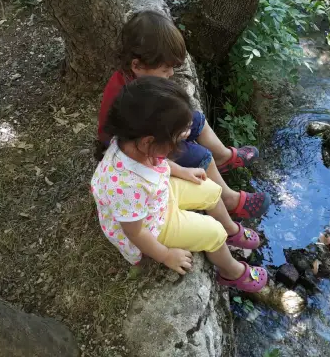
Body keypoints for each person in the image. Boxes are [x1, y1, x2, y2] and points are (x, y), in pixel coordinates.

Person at [91, 77, 268, 292]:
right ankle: (231, 272)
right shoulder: (125, 185)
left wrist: (183, 171)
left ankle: (231, 230)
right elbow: (135, 233)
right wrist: (166, 255)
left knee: (211, 189)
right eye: (177, 138)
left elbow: (158, 162)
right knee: (212, 232)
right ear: (149, 141)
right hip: (152, 225)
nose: (184, 138)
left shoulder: (134, 142)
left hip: (155, 198)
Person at [96, 10, 270, 219]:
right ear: (137, 65)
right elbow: (144, 141)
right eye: (165, 70)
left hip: (151, 132)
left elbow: (159, 115)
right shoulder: (130, 98)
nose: (170, 74)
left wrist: (180, 123)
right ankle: (229, 200)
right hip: (135, 151)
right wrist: (176, 134)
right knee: (200, 156)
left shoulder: (140, 82)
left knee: (194, 118)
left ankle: (223, 156)